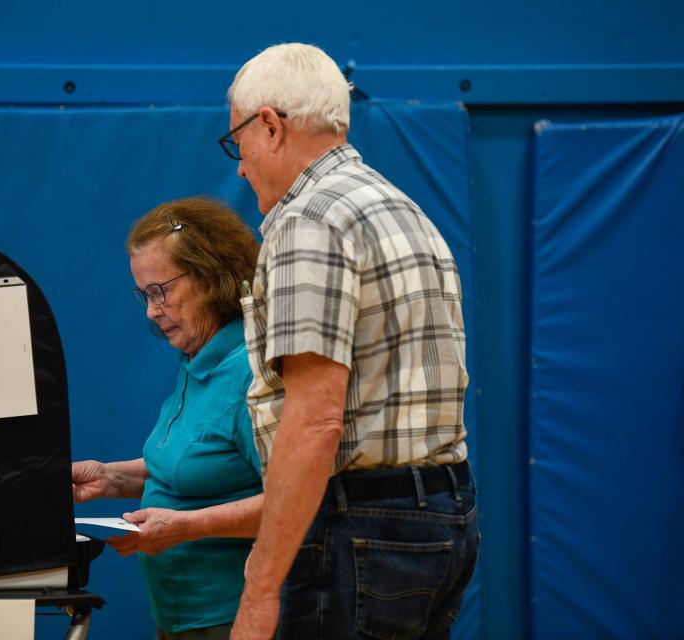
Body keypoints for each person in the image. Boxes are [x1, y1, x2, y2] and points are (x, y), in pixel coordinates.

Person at [219, 43, 479, 640]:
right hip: (445, 515)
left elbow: (314, 420)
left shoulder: (308, 220)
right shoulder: (399, 205)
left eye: (239, 142)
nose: (239, 165)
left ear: (270, 126)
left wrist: (259, 590)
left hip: (359, 526)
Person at [72, 196, 265, 640]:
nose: (150, 310)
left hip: (231, 617)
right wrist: (111, 479)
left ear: (210, 278)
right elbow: (200, 467)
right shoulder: (196, 361)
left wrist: (184, 528)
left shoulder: (249, 374)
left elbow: (294, 504)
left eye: (161, 291)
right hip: (179, 617)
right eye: (144, 294)